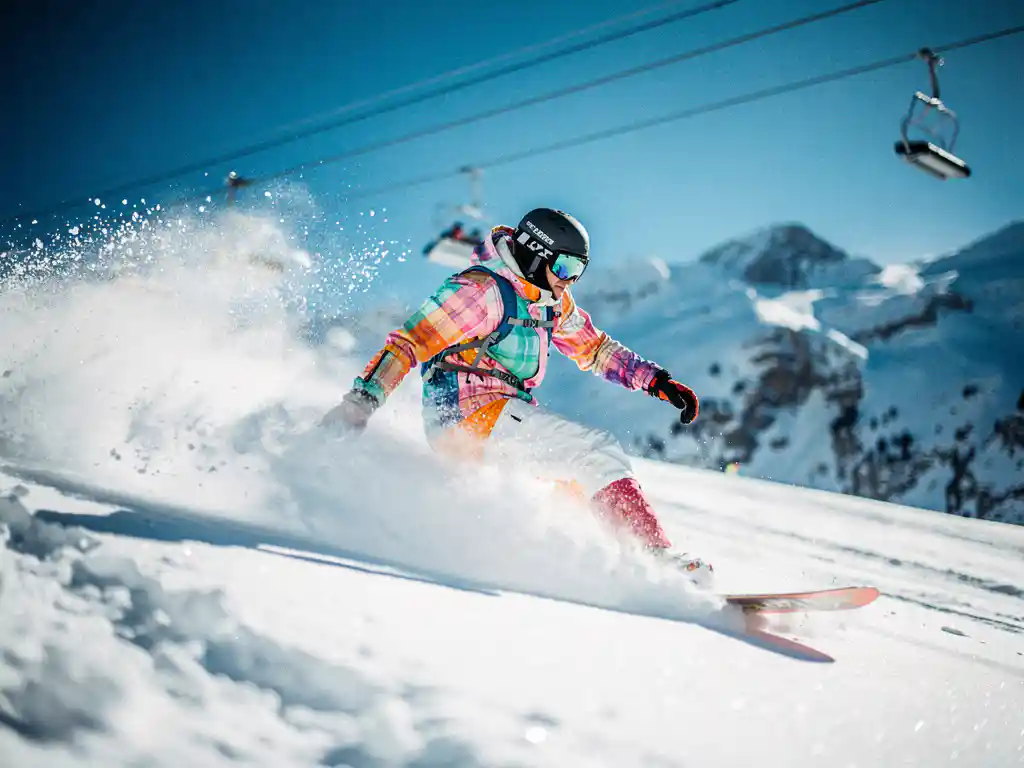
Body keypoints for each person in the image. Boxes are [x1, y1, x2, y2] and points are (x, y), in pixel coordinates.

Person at [323, 207, 712, 584]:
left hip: (499, 416)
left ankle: (607, 572)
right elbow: (410, 342)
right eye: (564, 268)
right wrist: (359, 404)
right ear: (534, 252)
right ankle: (656, 561)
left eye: (578, 271)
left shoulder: (550, 301)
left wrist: (655, 381)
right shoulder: (482, 290)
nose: (569, 281)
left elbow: (593, 348)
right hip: (465, 417)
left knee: (575, 490)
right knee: (594, 452)